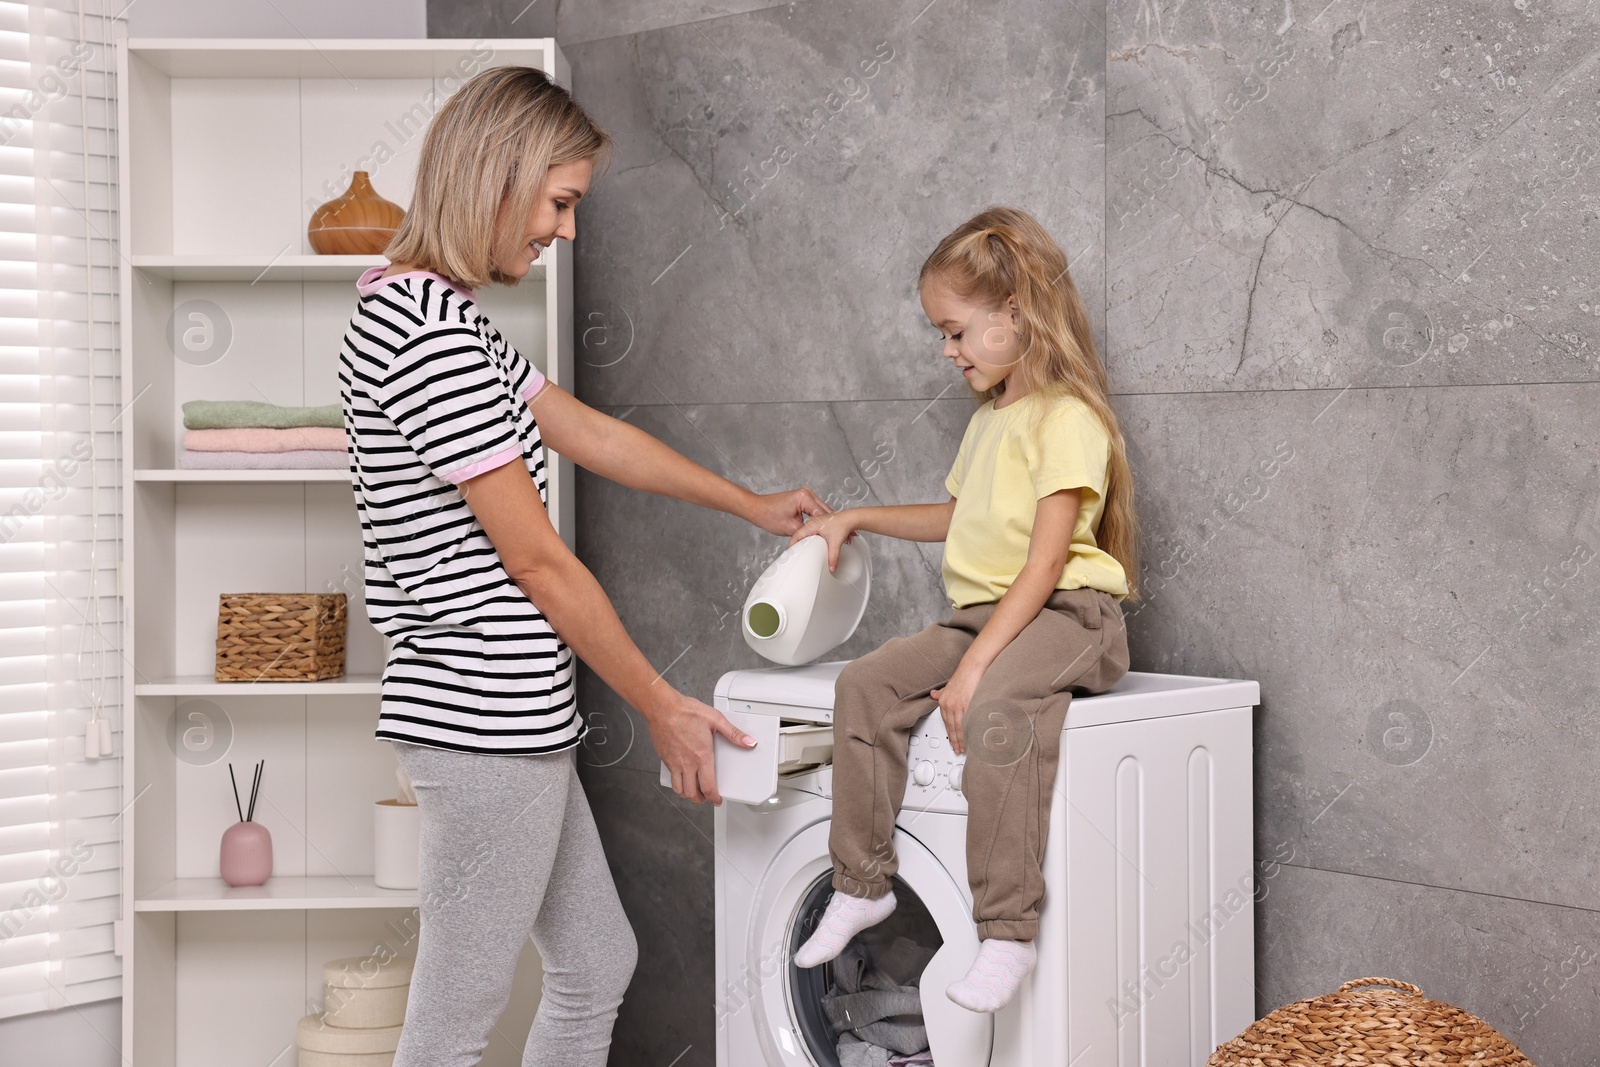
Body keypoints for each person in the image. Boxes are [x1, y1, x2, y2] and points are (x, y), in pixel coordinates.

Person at [338, 66, 827, 1066]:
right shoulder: (428, 335)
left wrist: (749, 504)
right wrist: (658, 701)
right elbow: (539, 561)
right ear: (498, 175)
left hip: (510, 718)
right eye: (559, 202)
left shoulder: (438, 315)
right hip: (482, 719)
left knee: (594, 960)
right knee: (450, 1023)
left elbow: (591, 434)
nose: (564, 231)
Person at [789, 207, 1138, 1014]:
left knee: (1002, 711)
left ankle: (1007, 932)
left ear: (1014, 317)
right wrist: (855, 517)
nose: (945, 350)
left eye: (953, 331)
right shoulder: (989, 422)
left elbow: (1047, 561)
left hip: (1069, 614)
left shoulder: (1068, 418)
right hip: (987, 613)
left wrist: (977, 669)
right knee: (866, 685)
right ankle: (863, 883)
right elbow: (960, 519)